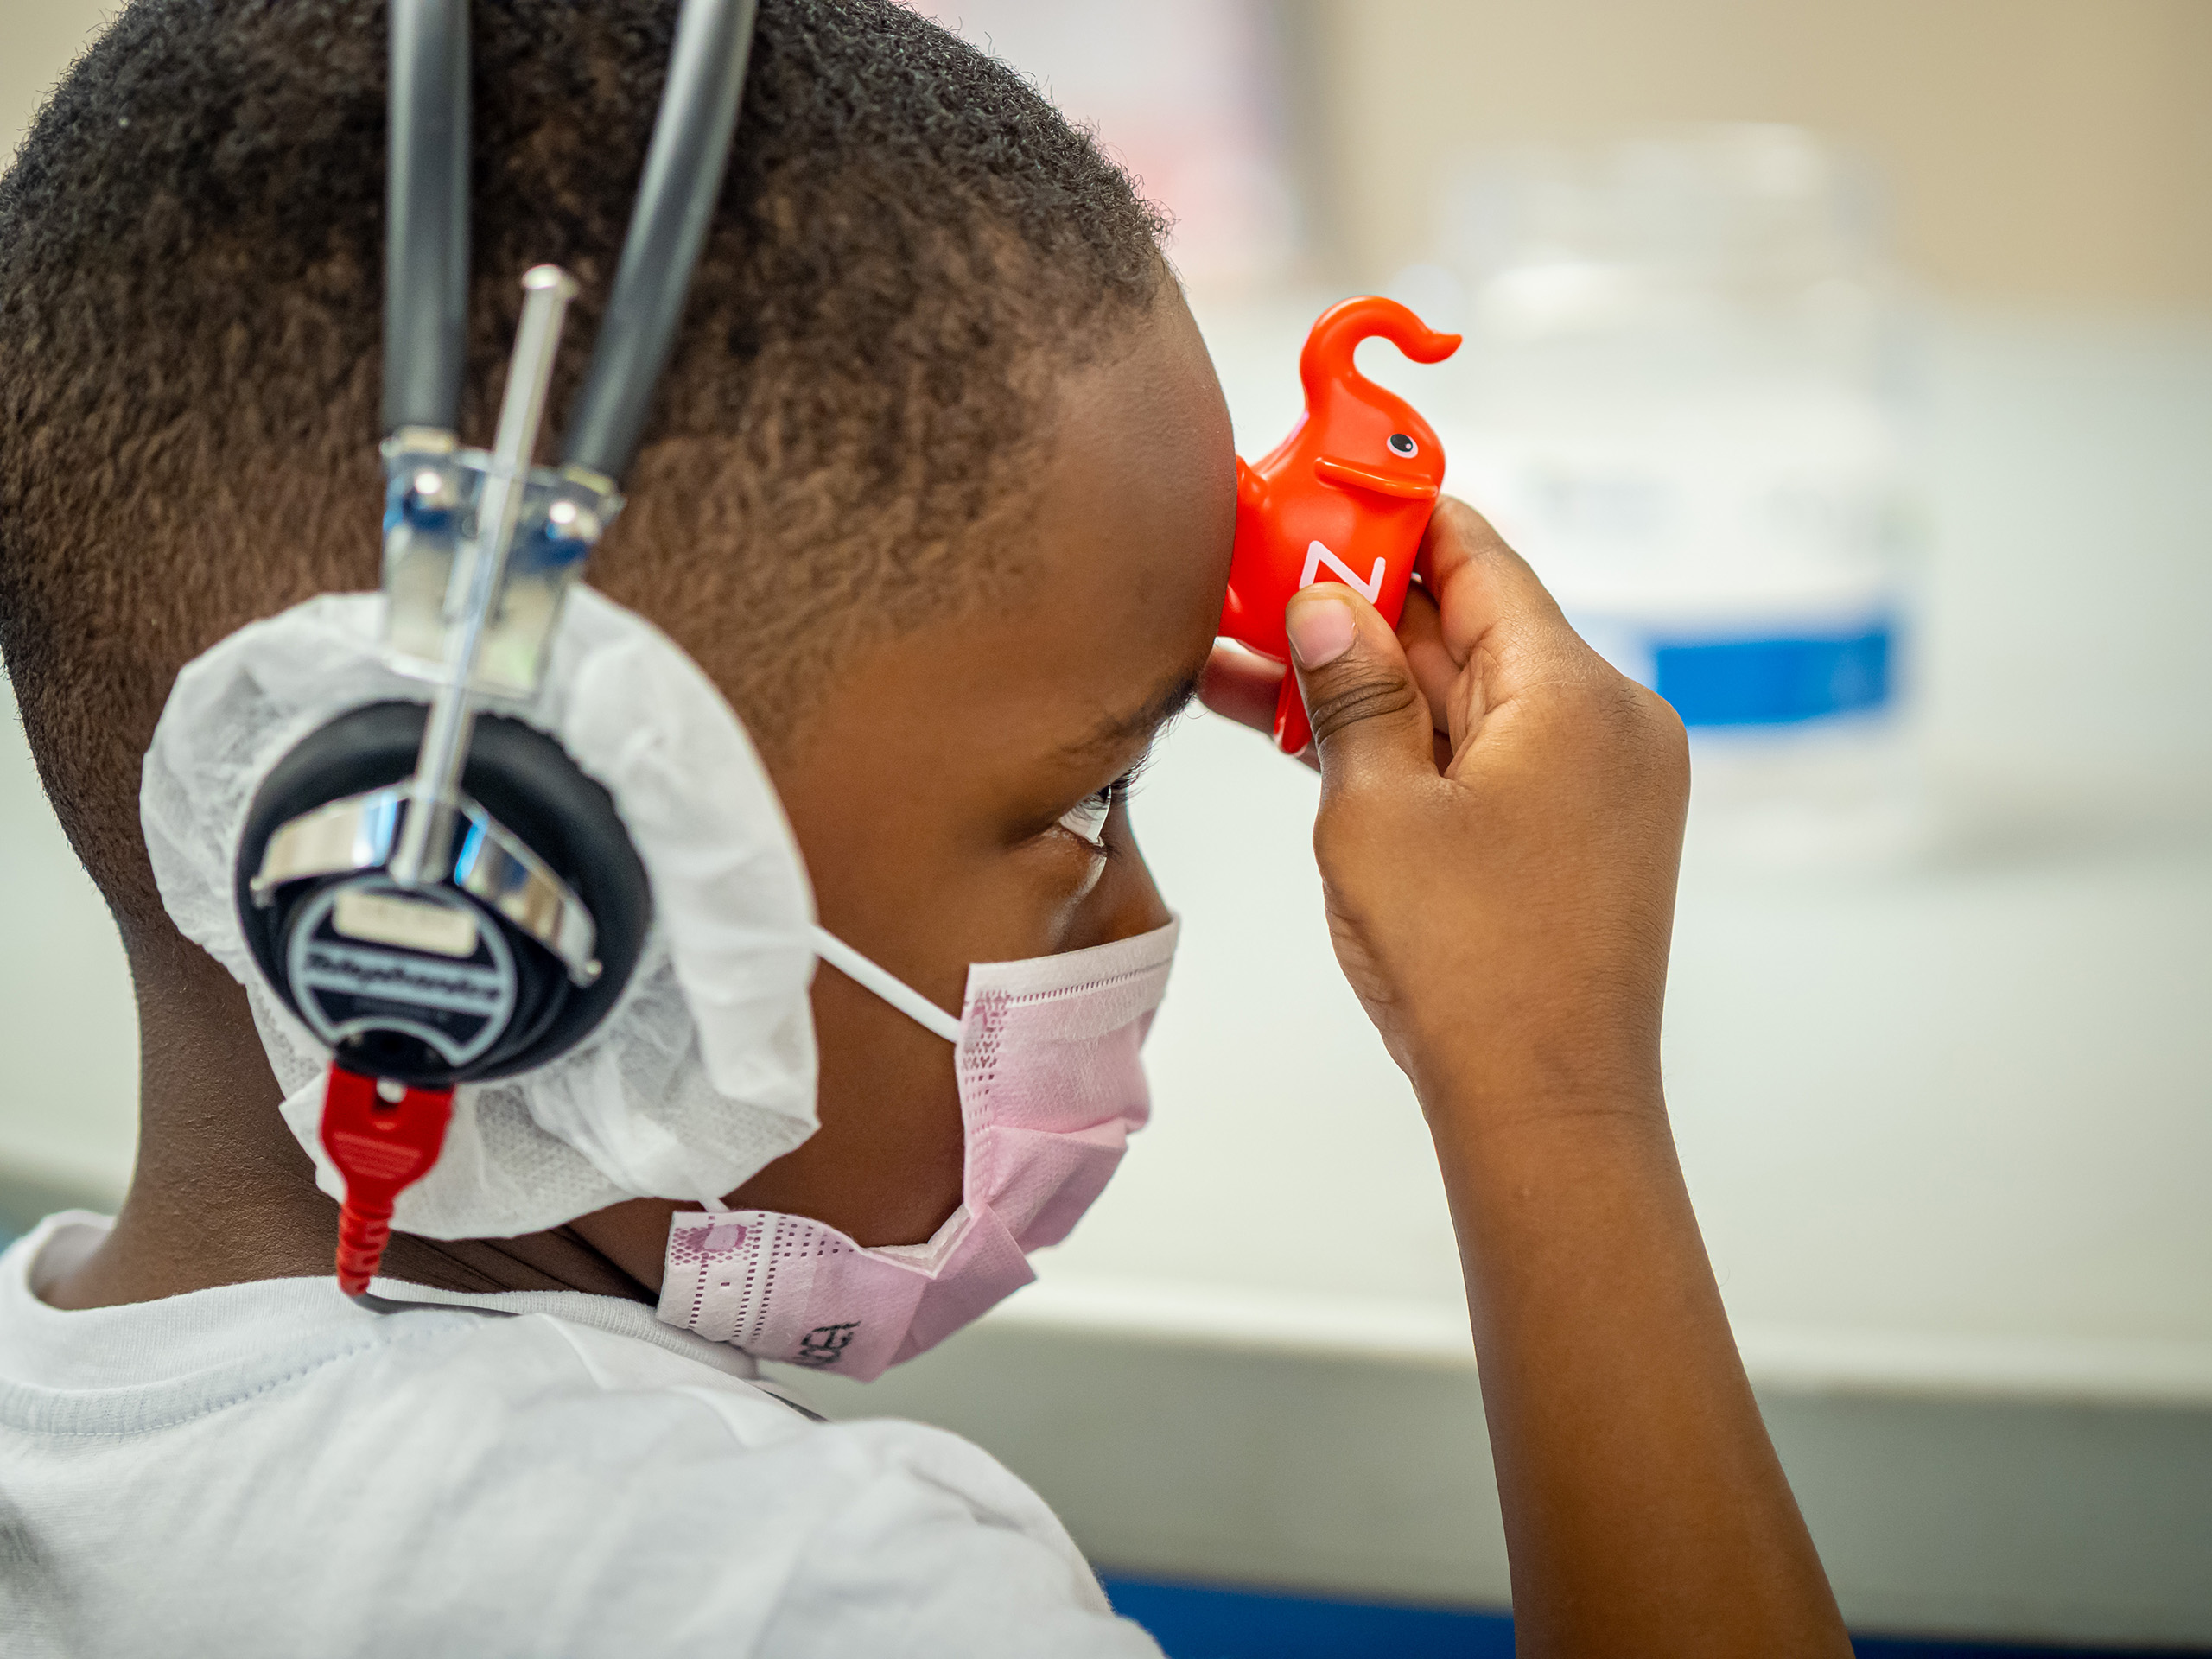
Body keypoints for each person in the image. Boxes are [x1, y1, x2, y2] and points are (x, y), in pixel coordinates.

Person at [0, 1, 1852, 1654]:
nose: (1130, 910)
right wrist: (1551, 1086)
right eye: (1079, 801)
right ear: (490, 872)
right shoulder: (805, 1604)